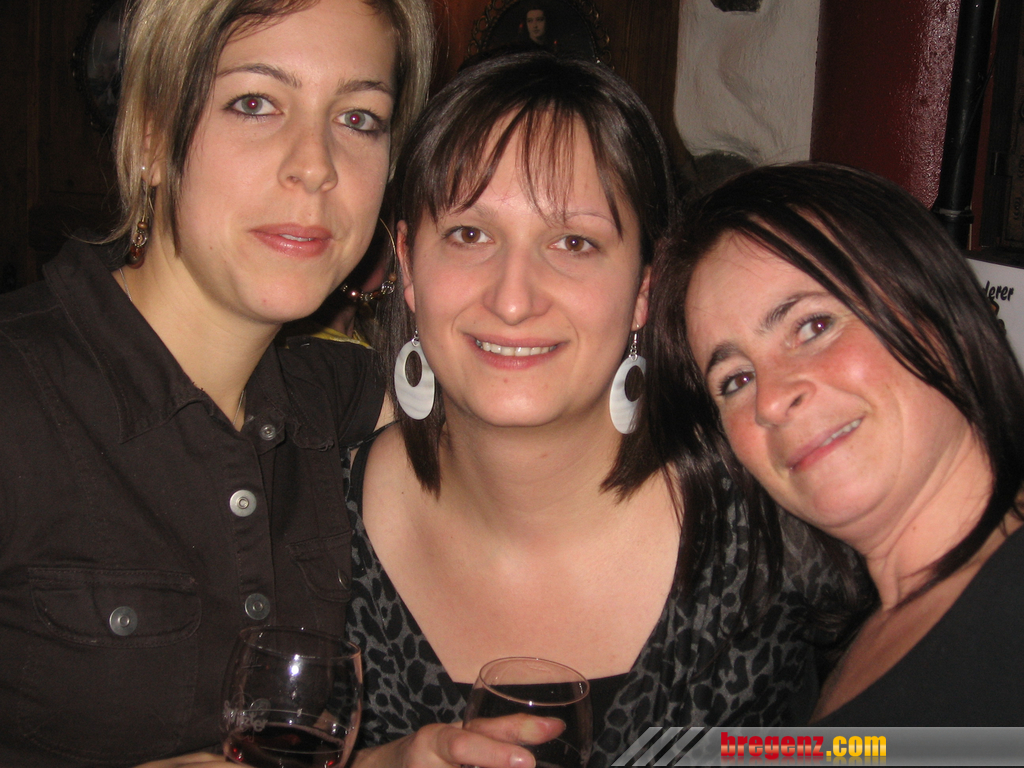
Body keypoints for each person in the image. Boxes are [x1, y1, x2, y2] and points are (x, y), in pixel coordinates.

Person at [345, 53, 841, 768]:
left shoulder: (768, 523)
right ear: (407, 264)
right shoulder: (311, 528)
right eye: (470, 234)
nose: (513, 299)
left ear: (644, 288)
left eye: (574, 242)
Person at [0, 0, 432, 765]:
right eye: (255, 103)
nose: (316, 165)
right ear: (150, 137)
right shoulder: (20, 397)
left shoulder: (329, 395)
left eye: (358, 118)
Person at [652, 162, 1024, 725]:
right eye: (736, 380)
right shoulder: (843, 647)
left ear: (936, 306)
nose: (770, 401)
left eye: (813, 327)